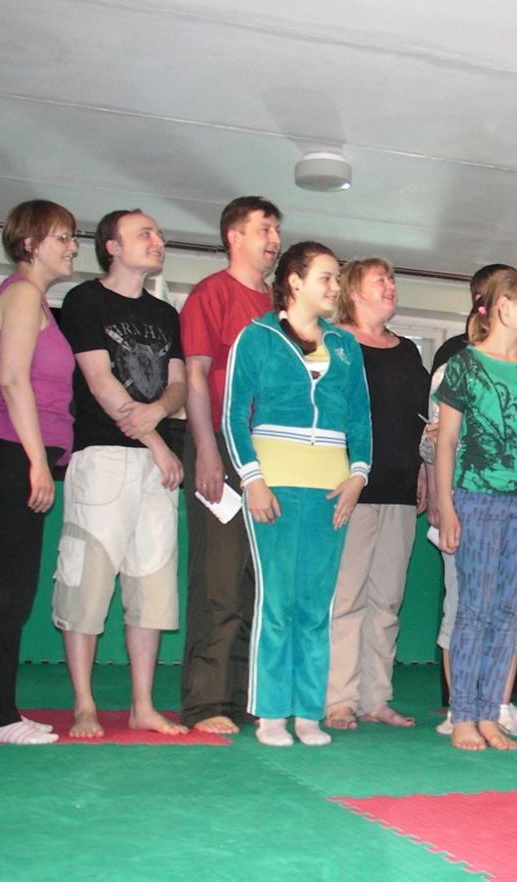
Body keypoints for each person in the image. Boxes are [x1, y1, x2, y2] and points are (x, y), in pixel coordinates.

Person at [223, 241, 372, 747]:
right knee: (278, 602)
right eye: (326, 277)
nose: (335, 287)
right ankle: (270, 713)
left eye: (337, 278)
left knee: (316, 605)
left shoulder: (346, 345)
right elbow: (233, 414)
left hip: (332, 490)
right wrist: (252, 479)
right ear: (294, 281)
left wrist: (358, 475)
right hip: (275, 485)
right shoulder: (257, 337)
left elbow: (360, 417)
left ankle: (308, 712)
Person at [52, 209, 187, 739]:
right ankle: (84, 704)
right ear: (111, 246)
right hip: (104, 457)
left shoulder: (165, 312)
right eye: (144, 234)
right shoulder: (84, 300)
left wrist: (160, 413)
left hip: (156, 465)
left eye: (159, 233)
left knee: (152, 582)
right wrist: (156, 439)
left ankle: (142, 705)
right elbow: (99, 380)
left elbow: (178, 384)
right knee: (86, 580)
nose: (157, 240)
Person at [0, 200, 78, 744]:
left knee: (12, 584)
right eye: (62, 238)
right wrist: (36, 461)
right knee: (7, 587)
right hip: (10, 449)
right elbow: (12, 380)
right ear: (30, 244)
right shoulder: (25, 294)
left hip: (17, 450)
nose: (72, 247)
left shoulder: (37, 300)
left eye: (73, 238)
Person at [435, 270, 517, 751]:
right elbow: (446, 441)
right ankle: (463, 715)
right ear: (504, 308)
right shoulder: (464, 365)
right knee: (474, 610)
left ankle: (490, 713)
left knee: (508, 613)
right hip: (476, 498)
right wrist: (447, 506)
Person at [179, 196, 281, 734]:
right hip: (221, 443)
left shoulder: (281, 304)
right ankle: (205, 703)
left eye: (277, 230)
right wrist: (208, 450)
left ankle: (243, 697)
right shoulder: (212, 293)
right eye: (264, 229)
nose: (274, 240)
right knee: (218, 578)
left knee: (255, 581)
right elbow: (196, 376)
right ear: (233, 236)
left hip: (272, 453)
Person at [325, 258, 429, 731]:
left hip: (401, 487)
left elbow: (420, 422)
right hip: (350, 487)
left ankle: (376, 698)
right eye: (379, 280)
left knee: (386, 601)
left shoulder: (406, 350)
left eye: (392, 279)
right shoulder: (334, 343)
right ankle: (339, 700)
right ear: (353, 292)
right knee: (346, 598)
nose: (390, 286)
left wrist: (424, 472)